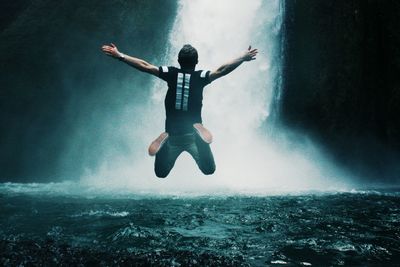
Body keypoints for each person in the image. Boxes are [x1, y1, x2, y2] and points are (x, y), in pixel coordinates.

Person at [101, 43, 258, 177]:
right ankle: (201, 140)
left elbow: (145, 66)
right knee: (209, 170)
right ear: (197, 61)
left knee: (161, 173)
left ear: (178, 61)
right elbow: (223, 69)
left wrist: (120, 55)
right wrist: (242, 58)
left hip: (173, 136)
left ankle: (164, 143)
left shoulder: (171, 73)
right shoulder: (201, 76)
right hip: (192, 137)